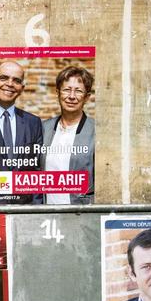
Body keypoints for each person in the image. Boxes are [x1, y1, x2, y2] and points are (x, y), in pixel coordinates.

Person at [0, 60, 42, 204]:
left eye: (16, 80)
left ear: (22, 88)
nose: (10, 84)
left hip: (23, 210)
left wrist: (36, 210)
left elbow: (36, 171)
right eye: (4, 78)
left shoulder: (33, 123)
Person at [40, 65, 95, 204]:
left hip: (81, 216)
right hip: (47, 214)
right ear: (57, 93)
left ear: (87, 97)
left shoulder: (95, 131)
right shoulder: (43, 128)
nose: (71, 96)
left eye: (78, 91)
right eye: (66, 90)